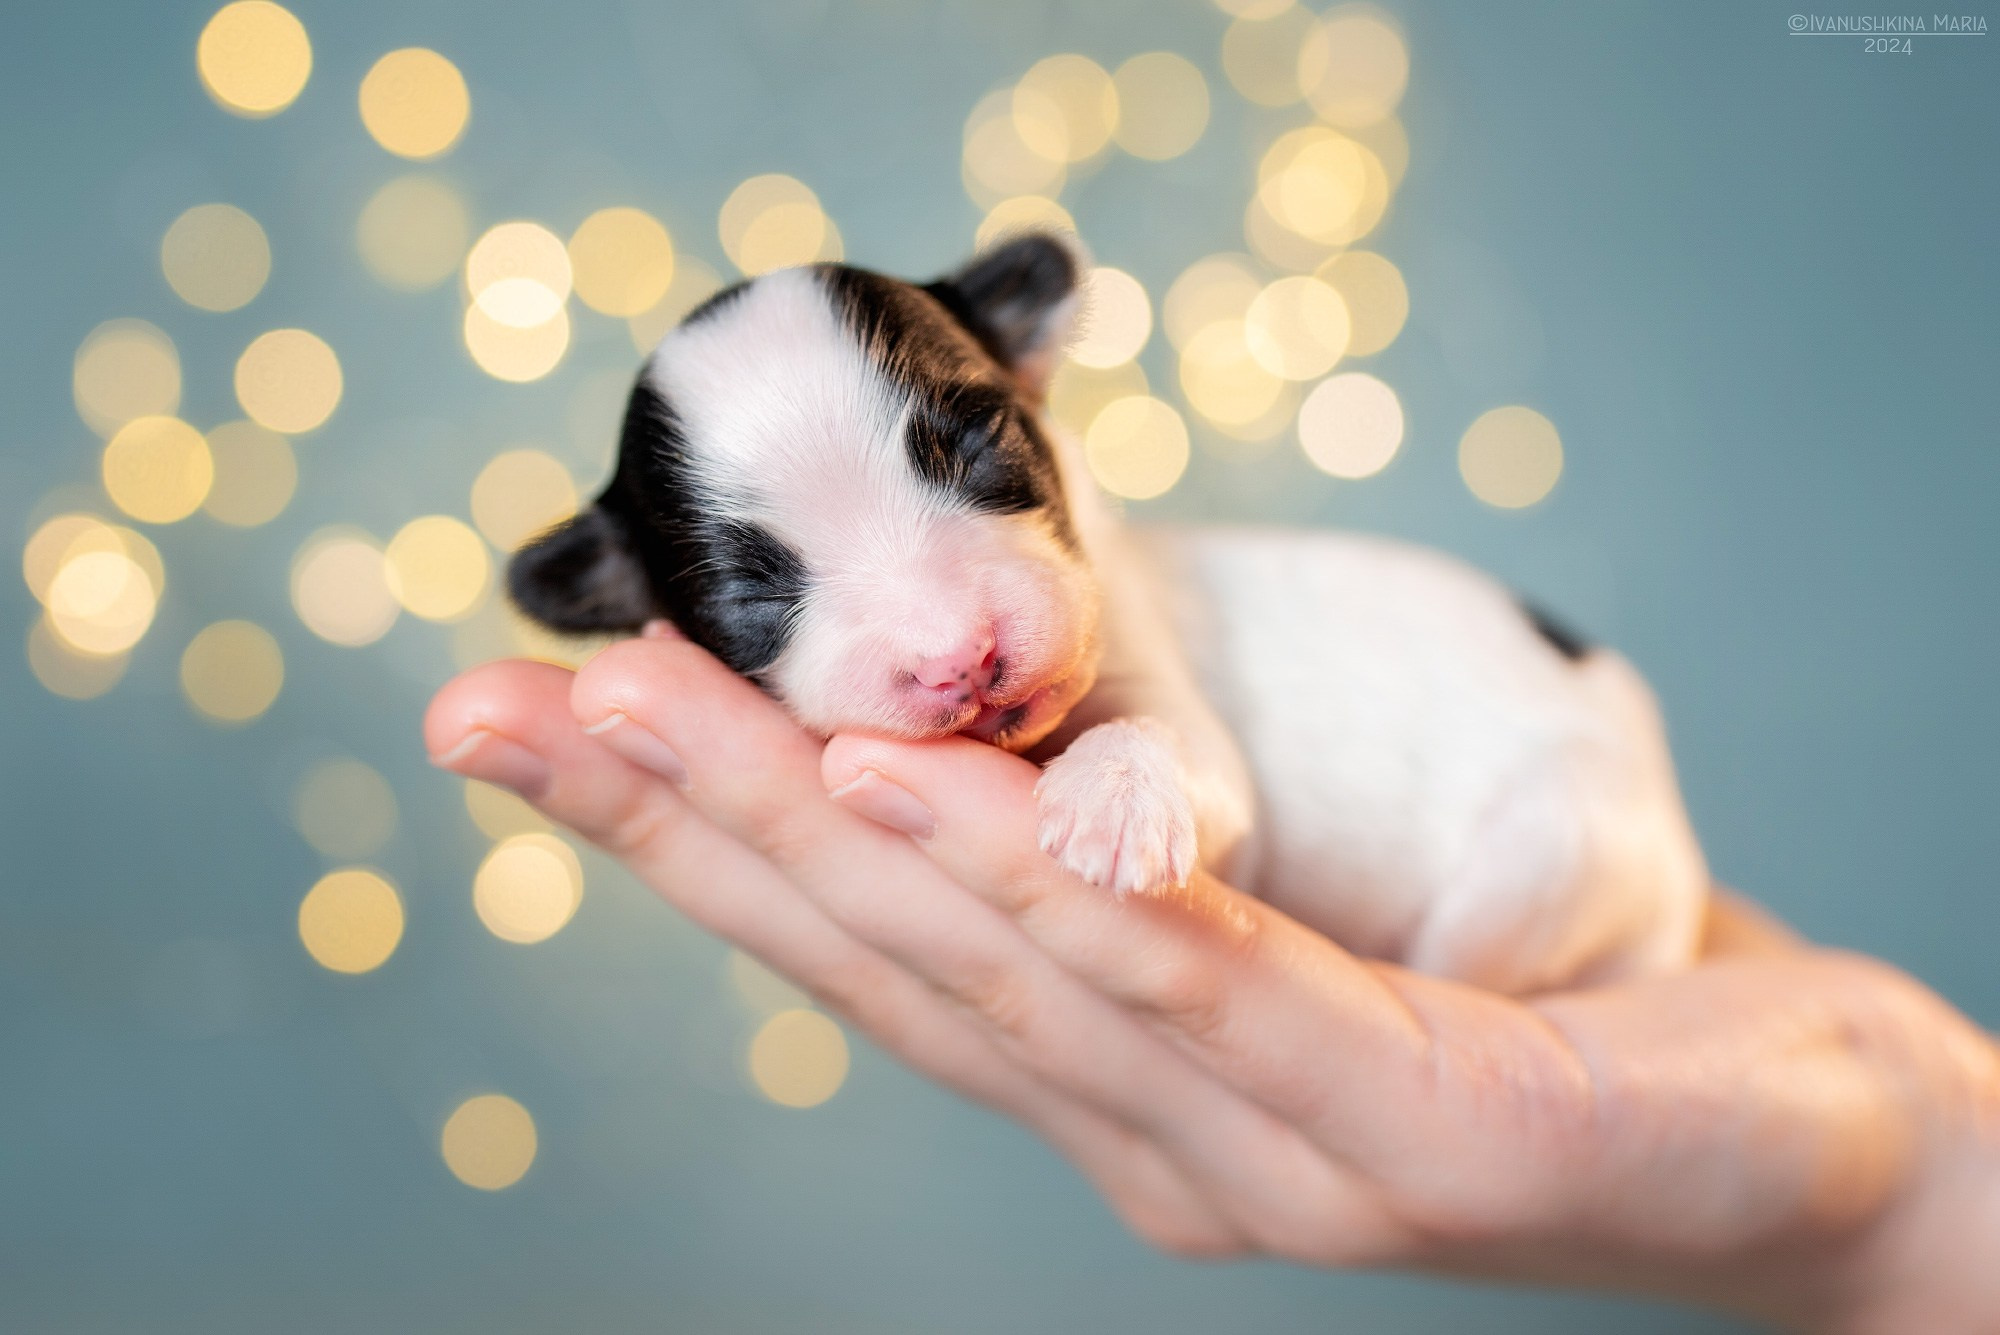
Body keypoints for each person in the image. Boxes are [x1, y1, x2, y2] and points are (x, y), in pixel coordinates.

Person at [426, 623, 2000, 1332]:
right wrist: (1907, 1173)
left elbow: (1204, 786)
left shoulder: (1129, 611)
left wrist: (1903, 1188)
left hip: (1553, 807)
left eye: (970, 471)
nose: (944, 640)